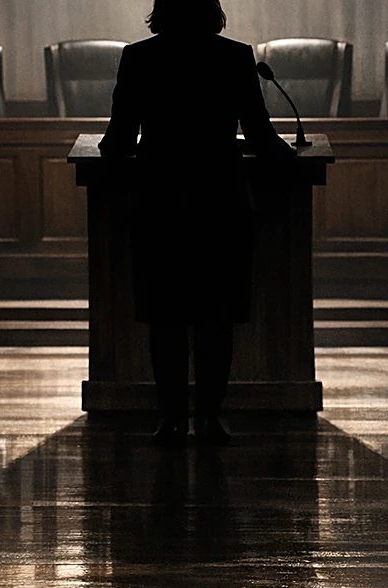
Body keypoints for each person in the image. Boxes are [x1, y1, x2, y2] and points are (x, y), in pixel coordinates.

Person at [98, 0, 295, 445]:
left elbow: (120, 139)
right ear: (212, 8)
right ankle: (209, 419)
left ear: (161, 9)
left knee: (165, 318)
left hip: (159, 201)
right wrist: (289, 153)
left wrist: (115, 150)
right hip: (220, 201)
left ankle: (171, 420)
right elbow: (260, 136)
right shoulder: (235, 56)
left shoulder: (139, 57)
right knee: (215, 318)